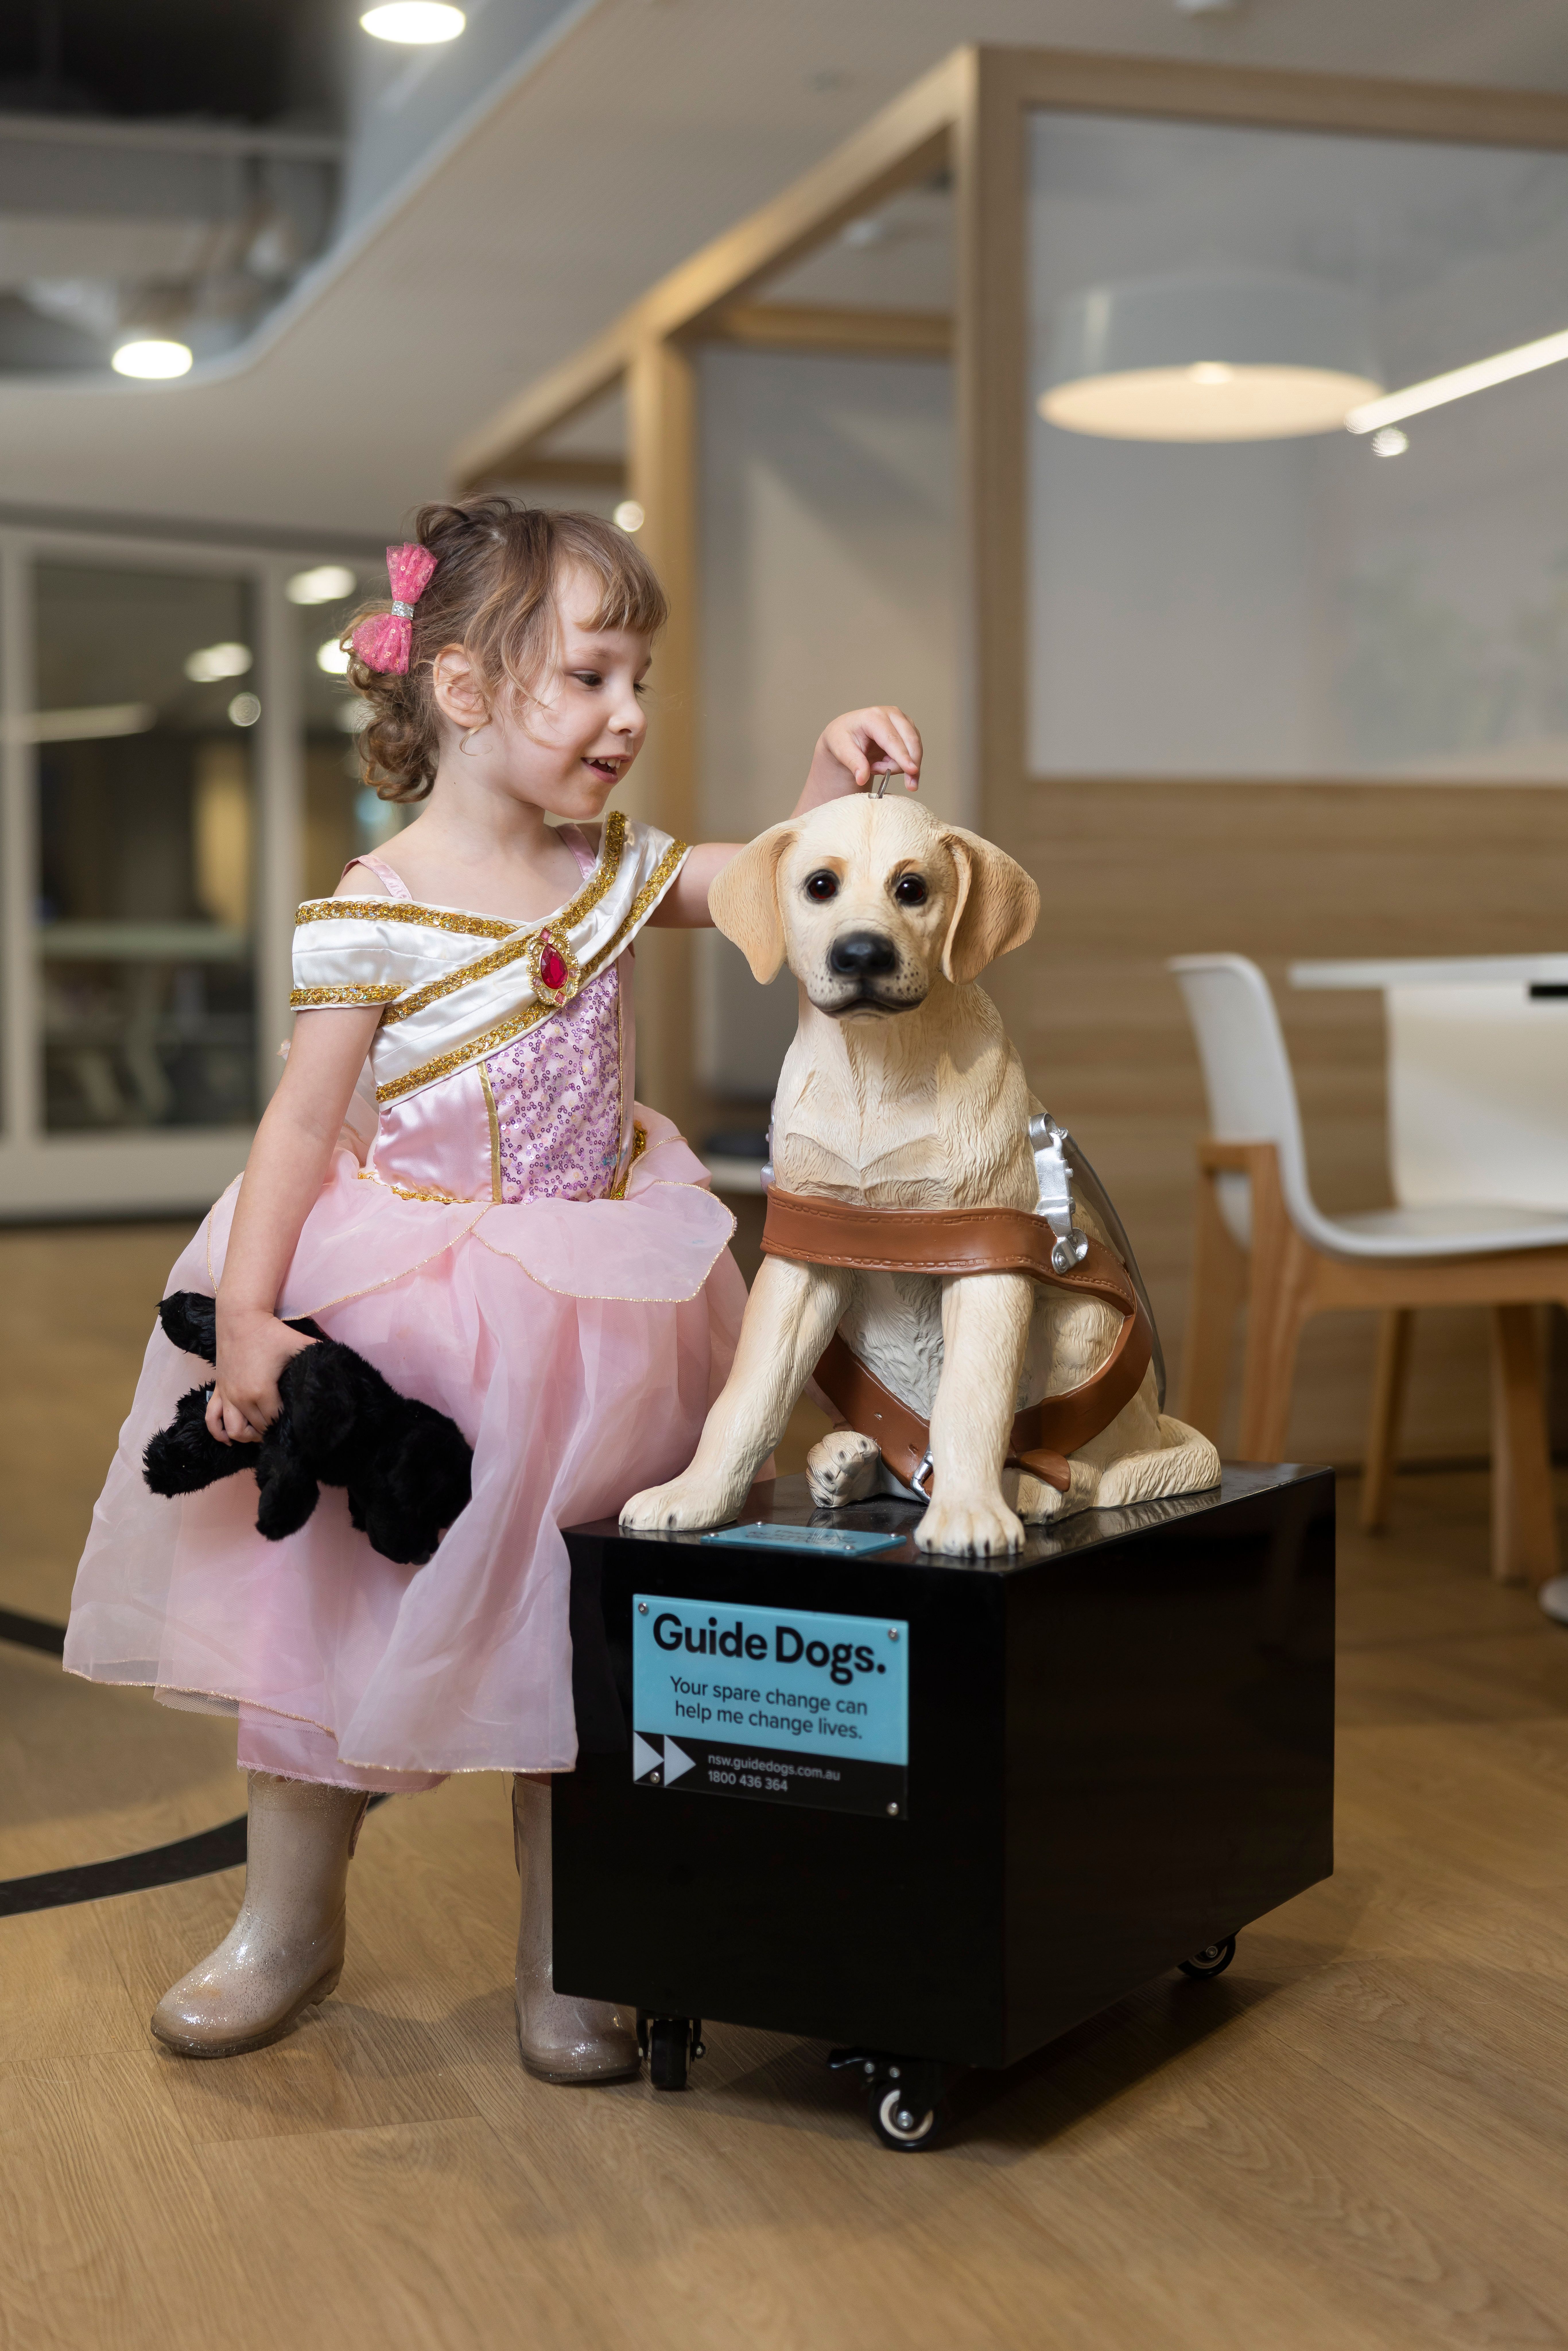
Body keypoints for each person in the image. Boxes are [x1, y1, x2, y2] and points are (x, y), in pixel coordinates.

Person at [64, 496, 921, 2080]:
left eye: (640, 679)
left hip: (601, 1312)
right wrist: (251, 1317)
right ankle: (290, 1924)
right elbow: (300, 1123)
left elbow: (773, 879)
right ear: (461, 688)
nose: (631, 716)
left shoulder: (617, 874)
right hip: (407, 1304)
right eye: (591, 677)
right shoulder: (375, 907)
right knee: (326, 1617)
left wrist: (824, 781)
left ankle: (567, 1952)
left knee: (582, 1632)